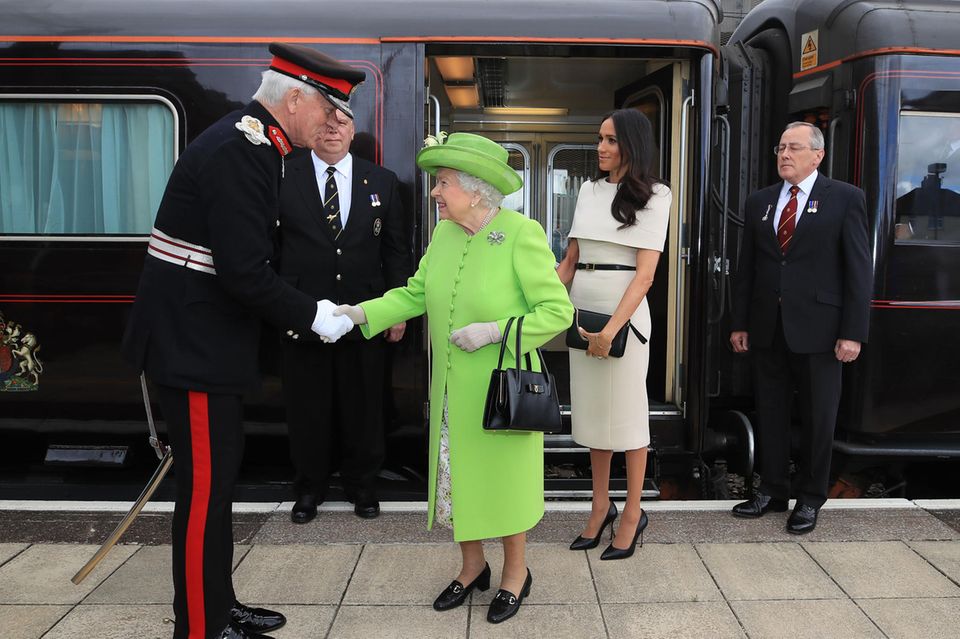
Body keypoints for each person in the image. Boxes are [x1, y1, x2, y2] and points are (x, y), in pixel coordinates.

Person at [121, 43, 364, 639]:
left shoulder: (257, 145)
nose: (332, 123)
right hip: (195, 350)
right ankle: (200, 628)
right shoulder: (242, 150)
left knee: (218, 487)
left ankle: (219, 606)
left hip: (207, 345)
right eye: (327, 109)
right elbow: (244, 272)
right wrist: (314, 315)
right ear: (295, 98)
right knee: (205, 494)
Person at [334, 132, 572, 624]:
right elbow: (416, 292)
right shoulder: (444, 235)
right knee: (456, 480)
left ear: (476, 188)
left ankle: (516, 574)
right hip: (449, 390)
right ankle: (472, 567)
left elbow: (558, 311)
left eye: (443, 183)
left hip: (502, 392)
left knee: (505, 484)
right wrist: (359, 313)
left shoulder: (520, 233)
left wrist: (493, 331)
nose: (435, 192)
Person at [729, 121, 871, 534]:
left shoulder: (845, 198)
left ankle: (810, 498)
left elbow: (858, 270)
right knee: (770, 411)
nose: (785, 154)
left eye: (794, 147)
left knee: (818, 417)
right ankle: (772, 490)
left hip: (822, 330)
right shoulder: (760, 202)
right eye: (780, 148)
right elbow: (748, 268)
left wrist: (853, 332)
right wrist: (740, 322)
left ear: (817, 155)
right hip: (767, 327)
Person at [277, 109, 412, 523]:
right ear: (311, 130)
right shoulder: (283, 176)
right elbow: (270, 246)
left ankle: (363, 486)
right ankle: (309, 489)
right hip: (302, 314)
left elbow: (396, 251)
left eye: (342, 122)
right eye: (326, 121)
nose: (333, 129)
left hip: (365, 315)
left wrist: (397, 311)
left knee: (365, 407)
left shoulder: (383, 181)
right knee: (307, 408)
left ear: (353, 130)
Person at [556, 109, 671, 560]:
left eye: (610, 140)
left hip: (624, 316)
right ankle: (600, 506)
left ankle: (633, 513)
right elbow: (568, 264)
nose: (600, 147)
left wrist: (610, 330)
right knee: (592, 418)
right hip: (584, 311)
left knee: (628, 418)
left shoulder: (656, 195)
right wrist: (535, 302)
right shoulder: (587, 191)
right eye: (599, 138)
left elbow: (645, 276)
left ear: (631, 144)